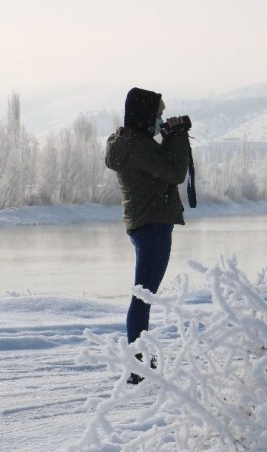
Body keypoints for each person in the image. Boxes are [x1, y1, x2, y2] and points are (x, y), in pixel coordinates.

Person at [105, 87, 192, 383]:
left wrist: (169, 137)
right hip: (153, 226)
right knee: (142, 296)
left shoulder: (128, 143)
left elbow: (161, 168)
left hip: (142, 224)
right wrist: (178, 137)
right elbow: (175, 172)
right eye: (159, 114)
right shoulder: (140, 148)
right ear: (145, 116)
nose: (162, 119)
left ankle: (140, 363)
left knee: (142, 295)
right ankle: (138, 367)